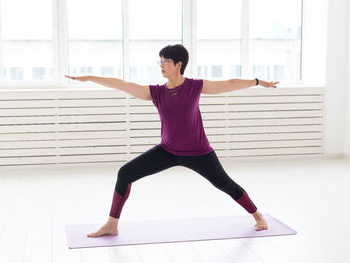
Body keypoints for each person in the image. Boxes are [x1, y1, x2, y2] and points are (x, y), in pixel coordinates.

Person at [65, 44, 279, 237]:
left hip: (199, 152)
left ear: (178, 64)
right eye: (160, 61)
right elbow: (122, 84)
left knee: (225, 184)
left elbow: (229, 83)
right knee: (125, 173)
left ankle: (258, 216)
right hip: (167, 151)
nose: (161, 65)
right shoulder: (156, 92)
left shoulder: (195, 86)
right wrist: (90, 78)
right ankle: (112, 224)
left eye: (165, 61)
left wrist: (259, 82)